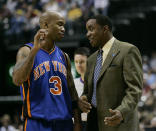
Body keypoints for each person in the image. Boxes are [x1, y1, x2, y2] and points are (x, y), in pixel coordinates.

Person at [12, 11, 81, 131]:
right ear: (45, 25)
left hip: (64, 123)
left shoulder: (64, 56)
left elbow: (72, 93)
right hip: (37, 123)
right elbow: (17, 80)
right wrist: (35, 50)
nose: (63, 29)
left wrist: (77, 121)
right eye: (59, 24)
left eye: (63, 25)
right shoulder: (26, 51)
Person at [79, 15, 143, 131]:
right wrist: (83, 99)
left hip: (118, 124)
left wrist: (122, 111)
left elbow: (134, 90)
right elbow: (88, 92)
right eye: (87, 30)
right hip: (94, 123)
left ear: (105, 29)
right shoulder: (91, 59)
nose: (88, 34)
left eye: (91, 29)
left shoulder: (128, 50)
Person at [74, 47, 90, 131]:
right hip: (77, 124)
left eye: (82, 62)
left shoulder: (96, 83)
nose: (78, 65)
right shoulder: (73, 83)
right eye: (76, 62)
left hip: (92, 123)